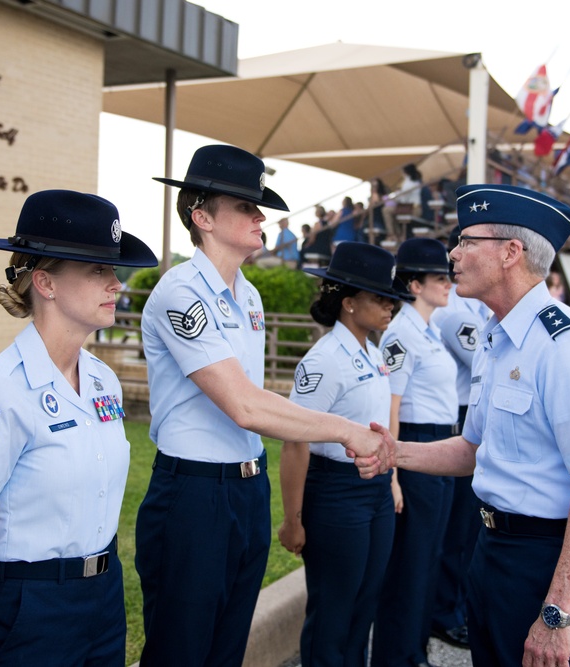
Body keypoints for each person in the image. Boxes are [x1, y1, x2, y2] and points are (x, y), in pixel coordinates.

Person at [136, 144, 390, 667]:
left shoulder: (247, 295)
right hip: (194, 493)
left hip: (247, 489)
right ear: (201, 216)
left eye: (261, 207)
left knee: (228, 646)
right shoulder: (180, 291)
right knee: (182, 649)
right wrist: (345, 430)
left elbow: (259, 399)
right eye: (247, 207)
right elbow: (245, 406)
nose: (261, 217)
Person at [358, 184, 570, 667]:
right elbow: (474, 448)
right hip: (493, 551)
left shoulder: (566, 346)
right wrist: (395, 453)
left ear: (510, 252)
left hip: (545, 561)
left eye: (466, 241)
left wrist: (558, 614)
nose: (454, 254)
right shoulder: (496, 338)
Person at [0, 189, 158, 666]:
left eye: (112, 269)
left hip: (104, 595)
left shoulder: (104, 381)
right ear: (46, 283)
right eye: (98, 270)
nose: (116, 284)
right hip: (29, 609)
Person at [278, 242, 413, 667]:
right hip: (334, 493)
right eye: (380, 298)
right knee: (333, 612)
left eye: (392, 299)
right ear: (350, 304)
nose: (390, 307)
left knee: (363, 606)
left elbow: (378, 426)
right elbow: (295, 440)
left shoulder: (373, 353)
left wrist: (389, 480)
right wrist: (293, 520)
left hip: (372, 490)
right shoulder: (325, 360)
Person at [372, 237, 458, 667]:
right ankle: (397, 655)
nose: (449, 284)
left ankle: (415, 651)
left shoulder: (430, 330)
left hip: (441, 445)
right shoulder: (402, 332)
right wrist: (393, 472)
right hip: (417, 445)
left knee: (430, 556)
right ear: (414, 285)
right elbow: (392, 403)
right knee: (410, 564)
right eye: (439, 278)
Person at [429, 229, 491, 650]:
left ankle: (459, 605)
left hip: (475, 411)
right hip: (461, 413)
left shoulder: (479, 304)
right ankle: (446, 611)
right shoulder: (453, 308)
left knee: (471, 523)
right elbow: (485, 359)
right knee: (460, 527)